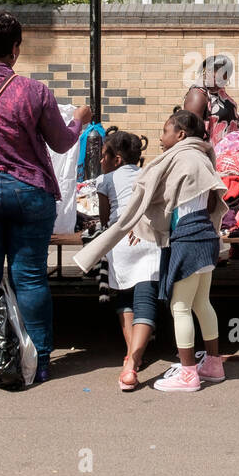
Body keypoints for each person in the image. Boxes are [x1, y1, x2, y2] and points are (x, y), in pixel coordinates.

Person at [0, 11, 92, 393]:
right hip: (28, 191)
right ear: (15, 49)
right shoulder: (34, 91)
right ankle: (40, 363)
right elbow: (62, 143)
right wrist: (78, 119)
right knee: (29, 278)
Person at [74, 110, 227, 394]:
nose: (160, 136)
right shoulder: (204, 157)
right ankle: (214, 364)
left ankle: (189, 373)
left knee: (179, 307)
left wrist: (139, 225)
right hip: (206, 235)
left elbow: (153, 200)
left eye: (166, 130)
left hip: (188, 238)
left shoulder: (177, 159)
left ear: (180, 134)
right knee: (202, 303)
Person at [95, 129, 161, 392]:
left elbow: (105, 218)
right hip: (150, 240)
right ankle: (132, 364)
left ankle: (132, 356)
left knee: (124, 299)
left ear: (117, 158)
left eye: (103, 156)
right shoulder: (149, 174)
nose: (101, 161)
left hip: (122, 242)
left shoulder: (106, 179)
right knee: (145, 300)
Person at [183, 54, 239, 146]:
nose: (223, 81)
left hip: (227, 152)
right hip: (210, 154)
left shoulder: (221, 94)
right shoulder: (198, 94)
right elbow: (191, 132)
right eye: (218, 77)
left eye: (226, 77)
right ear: (208, 71)